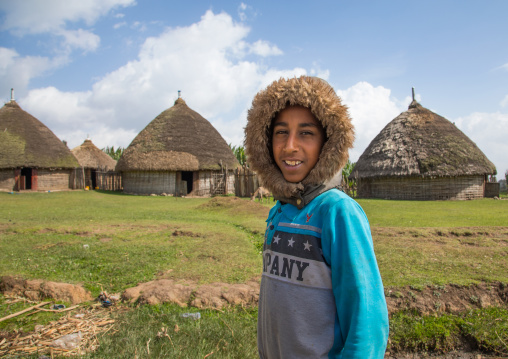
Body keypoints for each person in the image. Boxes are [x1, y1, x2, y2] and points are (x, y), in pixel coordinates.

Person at [244, 76, 389, 358]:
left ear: (328, 143)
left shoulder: (337, 212)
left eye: (306, 133)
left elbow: (367, 321)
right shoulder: (279, 211)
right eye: (281, 132)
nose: (290, 146)